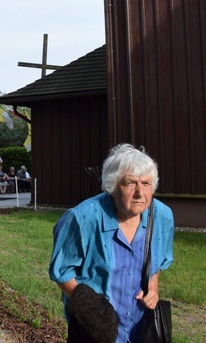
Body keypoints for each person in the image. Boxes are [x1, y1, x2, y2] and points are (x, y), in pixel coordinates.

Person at [48, 144, 175, 343]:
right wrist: (90, 308)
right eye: (130, 183)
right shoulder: (82, 218)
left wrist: (153, 287)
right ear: (113, 185)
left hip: (142, 329)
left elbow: (159, 260)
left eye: (146, 184)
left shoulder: (162, 216)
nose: (140, 193)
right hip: (94, 330)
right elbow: (61, 270)